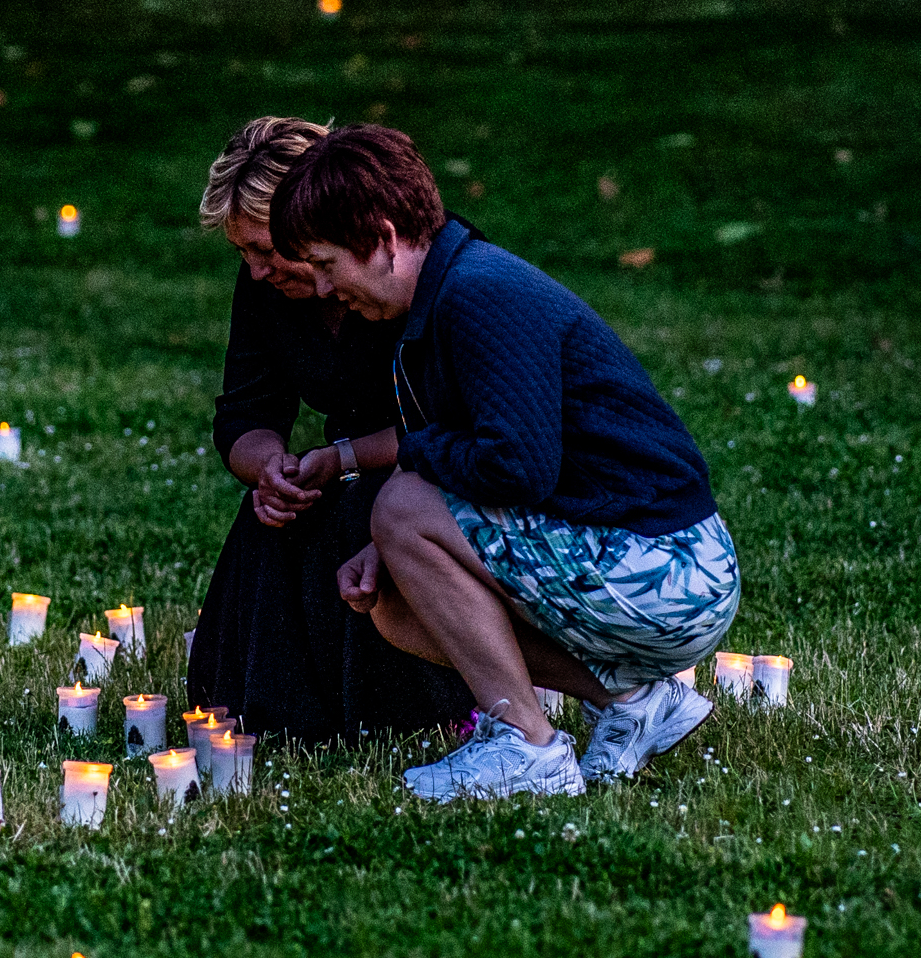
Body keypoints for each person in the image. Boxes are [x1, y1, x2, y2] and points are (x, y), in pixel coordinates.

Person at [268, 124, 739, 801]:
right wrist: (395, 541)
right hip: (638, 560)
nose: (319, 287)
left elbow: (518, 468)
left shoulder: (480, 295)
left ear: (381, 236)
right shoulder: (447, 294)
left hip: (672, 570)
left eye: (323, 262)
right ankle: (635, 699)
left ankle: (528, 749)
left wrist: (409, 478)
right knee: (395, 604)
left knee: (400, 508)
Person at [184, 117, 475, 740]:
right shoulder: (266, 289)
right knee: (277, 516)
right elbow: (246, 409)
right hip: (338, 462)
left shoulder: (410, 272)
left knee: (366, 512)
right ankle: (276, 709)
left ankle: (409, 707)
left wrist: (342, 457)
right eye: (243, 254)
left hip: (426, 468)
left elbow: (450, 422)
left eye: (267, 250)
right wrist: (270, 467)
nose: (258, 271)